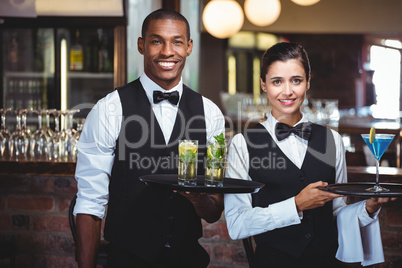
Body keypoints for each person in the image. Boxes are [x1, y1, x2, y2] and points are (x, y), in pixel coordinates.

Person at [73, 9, 225, 268]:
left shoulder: (210, 113)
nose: (167, 52)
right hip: (128, 259)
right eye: (157, 41)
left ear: (188, 47)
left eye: (177, 41)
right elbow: (90, 202)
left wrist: (200, 199)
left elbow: (213, 212)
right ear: (141, 45)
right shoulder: (109, 108)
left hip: (188, 259)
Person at [224, 42, 395, 268]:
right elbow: (237, 224)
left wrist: (368, 208)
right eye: (277, 81)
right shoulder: (242, 144)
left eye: (296, 80)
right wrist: (296, 205)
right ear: (263, 84)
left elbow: (337, 213)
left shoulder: (332, 140)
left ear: (308, 81)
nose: (287, 91)